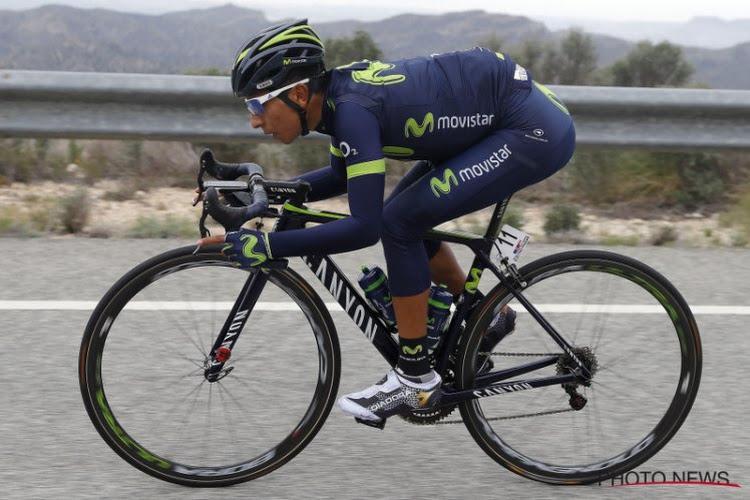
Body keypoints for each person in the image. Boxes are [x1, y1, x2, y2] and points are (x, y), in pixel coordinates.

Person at [197, 19, 575, 424]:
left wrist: (267, 246)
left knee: (399, 223)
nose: (254, 121)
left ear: (300, 93)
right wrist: (266, 191)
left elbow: (364, 227)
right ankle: (489, 317)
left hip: (529, 131)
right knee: (406, 215)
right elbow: (342, 176)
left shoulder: (354, 111)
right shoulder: (338, 103)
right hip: (495, 114)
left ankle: (416, 378)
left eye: (257, 106)